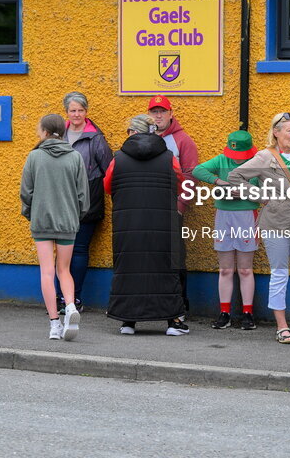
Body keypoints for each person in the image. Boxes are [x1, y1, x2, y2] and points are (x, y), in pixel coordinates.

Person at [228, 112, 290, 344]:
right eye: (289, 130)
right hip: (275, 223)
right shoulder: (264, 157)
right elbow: (235, 176)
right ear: (276, 132)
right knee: (279, 275)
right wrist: (261, 196)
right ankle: (282, 327)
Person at [104, 114, 186, 336]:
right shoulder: (169, 157)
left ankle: (128, 322)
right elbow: (179, 183)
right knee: (165, 269)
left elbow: (109, 186)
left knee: (129, 268)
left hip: (128, 224)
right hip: (162, 223)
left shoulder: (118, 158)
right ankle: (172, 323)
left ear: (132, 132)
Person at [20, 115, 88, 341]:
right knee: (64, 270)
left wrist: (31, 214)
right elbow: (82, 196)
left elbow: (26, 193)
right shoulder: (75, 157)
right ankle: (70, 306)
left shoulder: (34, 157)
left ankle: (54, 324)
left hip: (42, 222)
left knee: (47, 272)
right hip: (68, 222)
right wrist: (76, 217)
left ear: (45, 132)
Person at [192, 130, 260, 331]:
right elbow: (198, 170)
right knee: (225, 268)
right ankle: (224, 312)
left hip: (247, 215)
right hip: (223, 215)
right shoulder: (222, 159)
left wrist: (246, 190)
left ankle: (248, 313)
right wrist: (220, 182)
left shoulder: (258, 162)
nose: (236, 160)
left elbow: (268, 190)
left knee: (246, 269)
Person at [59, 91, 112, 313]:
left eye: (81, 110)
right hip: (60, 200)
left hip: (87, 201)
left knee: (79, 250)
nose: (77, 114)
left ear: (86, 112)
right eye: (73, 110)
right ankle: (60, 298)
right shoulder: (57, 135)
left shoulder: (95, 138)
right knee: (62, 252)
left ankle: (75, 299)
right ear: (66, 112)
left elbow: (109, 168)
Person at [148, 95, 198, 328]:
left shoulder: (183, 140)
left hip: (171, 210)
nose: (158, 115)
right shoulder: (144, 139)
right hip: (148, 209)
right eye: (154, 112)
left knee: (175, 258)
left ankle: (180, 307)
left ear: (170, 113)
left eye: (162, 111)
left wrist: (180, 207)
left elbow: (190, 176)